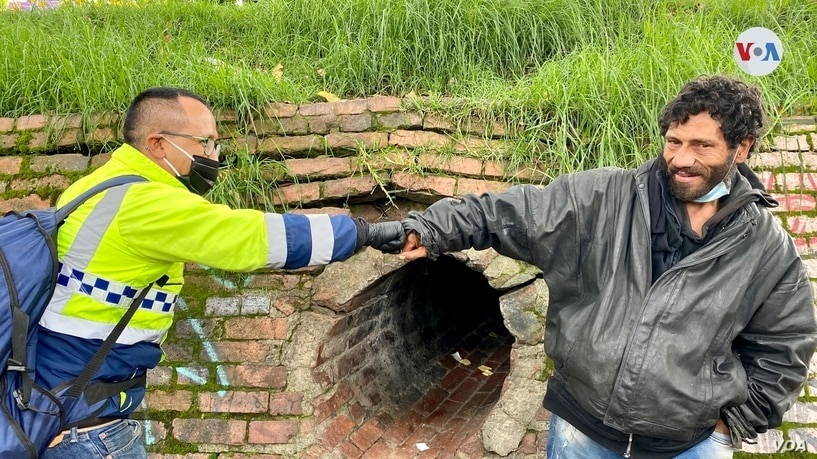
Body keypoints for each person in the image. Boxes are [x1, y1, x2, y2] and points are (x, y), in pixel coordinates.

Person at [396, 75, 817, 458]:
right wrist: (431, 227)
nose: (681, 158)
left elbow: (787, 342)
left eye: (702, 146)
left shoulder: (764, 247)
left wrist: (733, 424)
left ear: (742, 148)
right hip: (582, 429)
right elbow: (512, 212)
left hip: (690, 445)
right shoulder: (603, 197)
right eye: (674, 142)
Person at [38, 87, 404, 458]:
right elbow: (252, 238)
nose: (213, 156)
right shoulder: (145, 203)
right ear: (158, 143)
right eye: (205, 142)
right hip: (87, 431)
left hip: (49, 407)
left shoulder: (90, 188)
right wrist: (366, 232)